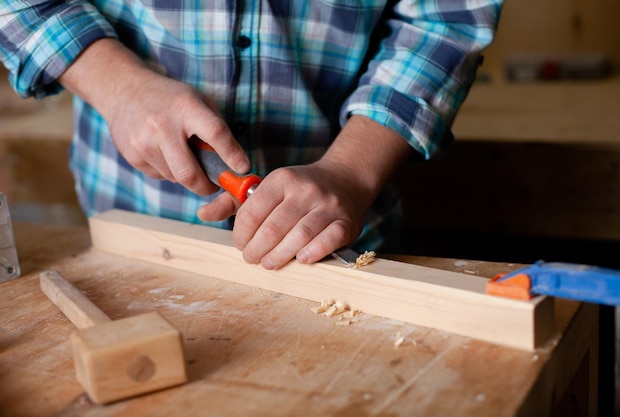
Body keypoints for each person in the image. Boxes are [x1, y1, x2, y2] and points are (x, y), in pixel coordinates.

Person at [0, 1, 503, 270]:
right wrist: (123, 88)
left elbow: (448, 18)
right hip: (135, 224)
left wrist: (349, 170)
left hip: (334, 240)